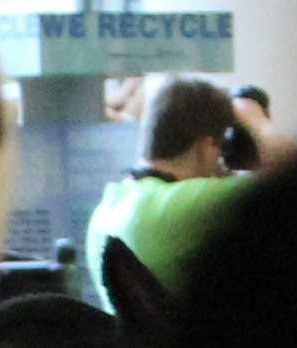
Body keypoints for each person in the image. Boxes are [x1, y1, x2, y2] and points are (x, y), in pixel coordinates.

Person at [84, 78, 256, 303]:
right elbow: (294, 181)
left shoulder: (105, 210)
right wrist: (255, 120)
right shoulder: (178, 205)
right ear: (208, 146)